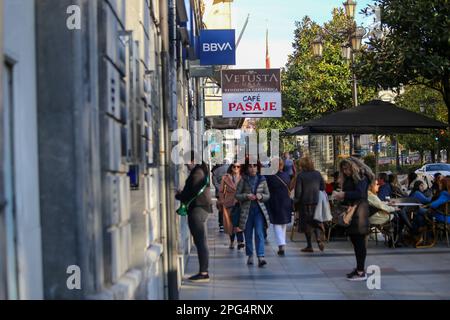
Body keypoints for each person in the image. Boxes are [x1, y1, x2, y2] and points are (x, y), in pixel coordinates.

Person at [334, 157, 374, 281]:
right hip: (353, 211)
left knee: (359, 241)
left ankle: (361, 272)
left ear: (353, 166)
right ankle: (359, 268)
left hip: (359, 212)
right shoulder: (352, 178)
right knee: (355, 240)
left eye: (347, 169)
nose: (345, 171)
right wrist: (341, 196)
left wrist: (344, 194)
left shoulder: (362, 176)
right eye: (343, 169)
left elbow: (360, 193)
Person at [176, 152, 212, 282]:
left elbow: (191, 193)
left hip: (198, 209)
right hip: (201, 209)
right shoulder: (201, 171)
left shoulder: (197, 173)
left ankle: (203, 272)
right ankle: (203, 271)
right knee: (201, 240)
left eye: (187, 163)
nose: (186, 166)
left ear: (193, 161)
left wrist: (179, 195)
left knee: (200, 241)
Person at [235, 161, 271, 267]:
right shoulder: (243, 180)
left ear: (258, 167)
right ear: (247, 168)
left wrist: (261, 196)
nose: (252, 168)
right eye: (250, 166)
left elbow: (268, 195)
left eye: (254, 166)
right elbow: (237, 195)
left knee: (259, 233)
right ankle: (250, 255)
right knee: (248, 234)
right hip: (247, 211)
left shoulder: (262, 180)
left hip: (259, 211)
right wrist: (246, 196)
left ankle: (261, 256)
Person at [294, 157, 325, 253]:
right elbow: (322, 187)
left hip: (305, 203)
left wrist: (295, 201)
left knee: (307, 224)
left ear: (303, 166)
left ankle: (309, 246)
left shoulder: (301, 175)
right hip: (316, 202)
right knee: (315, 221)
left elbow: (298, 192)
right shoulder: (317, 174)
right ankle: (318, 239)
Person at [265, 158, 293, 256]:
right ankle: (282, 243)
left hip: (275, 201)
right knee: (283, 223)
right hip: (286, 201)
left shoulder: (269, 177)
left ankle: (281, 244)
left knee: (276, 223)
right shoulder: (286, 175)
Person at [218, 161, 244, 250]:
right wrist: (222, 201)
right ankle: (232, 241)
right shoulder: (225, 178)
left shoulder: (243, 177)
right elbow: (221, 191)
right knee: (230, 224)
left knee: (239, 222)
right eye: (234, 166)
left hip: (240, 202)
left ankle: (240, 241)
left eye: (238, 167)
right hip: (229, 202)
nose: (236, 168)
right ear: (231, 167)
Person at [212, 161, 230, 232]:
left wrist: (219, 188)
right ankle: (228, 223)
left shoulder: (215, 171)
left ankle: (221, 224)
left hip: (219, 193)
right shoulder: (229, 168)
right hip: (228, 192)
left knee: (221, 209)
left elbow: (214, 182)